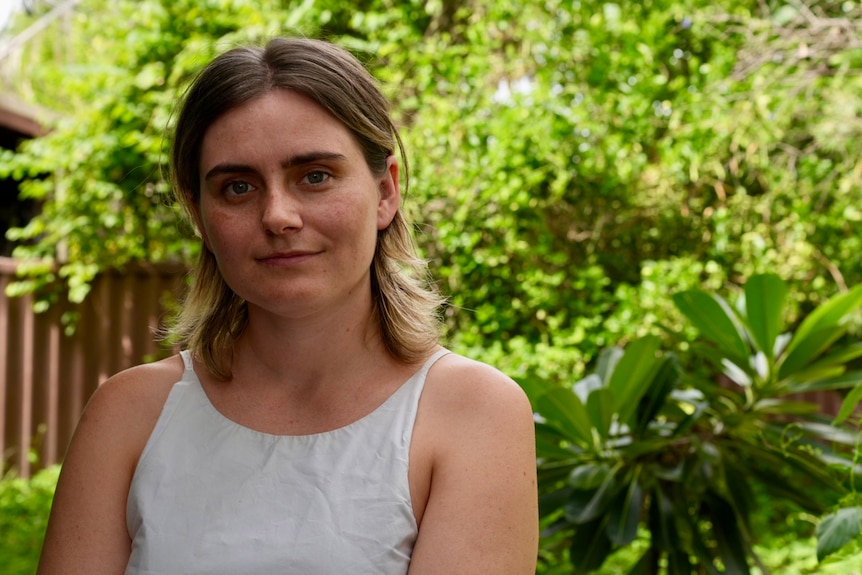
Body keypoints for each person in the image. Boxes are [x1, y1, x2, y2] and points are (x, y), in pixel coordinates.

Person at [37, 37, 538, 574]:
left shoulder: (472, 413)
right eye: (237, 187)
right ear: (199, 216)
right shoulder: (129, 414)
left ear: (386, 192)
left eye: (315, 176)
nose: (278, 215)